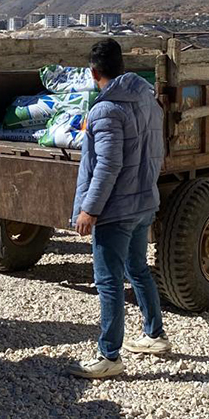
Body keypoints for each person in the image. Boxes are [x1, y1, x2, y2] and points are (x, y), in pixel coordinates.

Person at [69, 38, 170, 379]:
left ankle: (109, 355)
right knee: (138, 268)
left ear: (93, 71)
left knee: (109, 281)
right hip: (144, 201)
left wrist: (89, 209)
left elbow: (107, 166)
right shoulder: (147, 101)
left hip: (116, 210)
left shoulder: (106, 110)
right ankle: (154, 335)